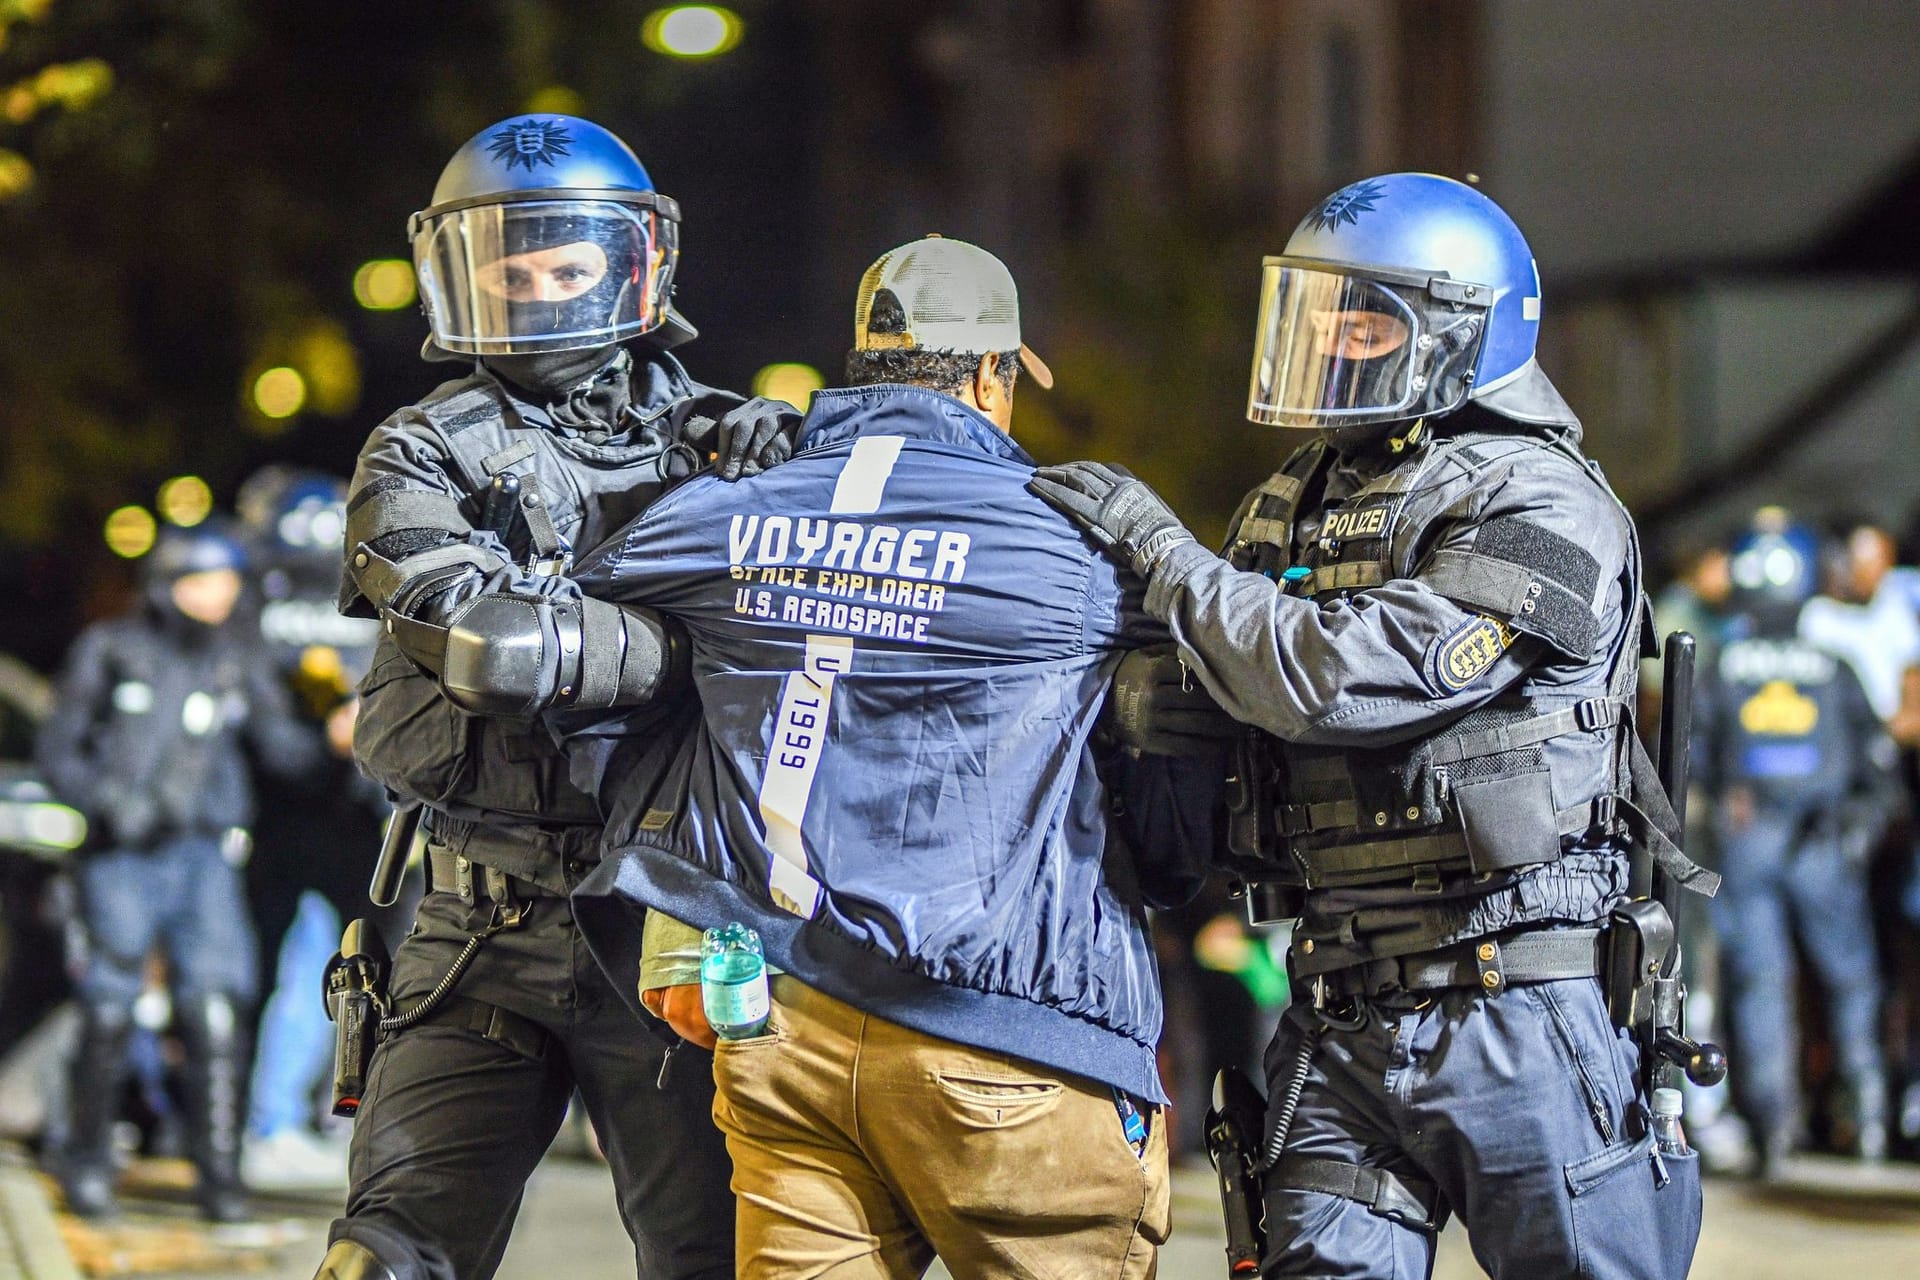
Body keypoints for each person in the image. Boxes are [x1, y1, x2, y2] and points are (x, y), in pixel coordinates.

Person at [1031, 174, 1708, 1278]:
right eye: (1318, 314)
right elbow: (1205, 704)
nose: (1332, 342)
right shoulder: (1286, 501)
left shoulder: (1545, 504)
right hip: (1338, 1004)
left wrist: (1161, 554)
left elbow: (1337, 676)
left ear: (1463, 329)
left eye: (1366, 317)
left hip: (1518, 998)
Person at [563, 236, 1208, 1277]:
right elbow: (1236, 681)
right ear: (994, 376)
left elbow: (578, 637)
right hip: (1015, 1041)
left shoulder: (726, 515)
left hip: (786, 1026)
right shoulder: (1076, 546)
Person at [323, 114, 791, 1280]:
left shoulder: (736, 443)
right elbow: (495, 650)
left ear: (636, 265)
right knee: (385, 1254)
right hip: (482, 917)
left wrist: (803, 471)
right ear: (458, 274)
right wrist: (710, 635)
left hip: (675, 923)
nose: (539, 295)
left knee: (716, 1260)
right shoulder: (421, 449)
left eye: (567, 267)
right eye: (510, 270)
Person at [36, 520, 317, 1221]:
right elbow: (60, 750)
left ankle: (219, 1176)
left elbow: (283, 749)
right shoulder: (112, 649)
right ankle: (88, 1161)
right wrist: (106, 805)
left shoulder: (234, 657)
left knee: (215, 1010)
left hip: (203, 855)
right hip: (121, 854)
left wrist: (344, 733)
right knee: (109, 1003)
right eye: (202, 581)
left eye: (226, 582)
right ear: (168, 583)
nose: (217, 595)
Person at [1697, 511, 1901, 1173]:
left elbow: (1689, 759)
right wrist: (1862, 823)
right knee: (1850, 981)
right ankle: (1865, 1117)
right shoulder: (1831, 666)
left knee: (1761, 984)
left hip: (1751, 837)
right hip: (1822, 841)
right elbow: (1880, 767)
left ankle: (1772, 1127)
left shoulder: (1723, 663)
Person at [234, 467, 387, 1191]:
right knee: (302, 972)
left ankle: (311, 1117)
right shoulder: (267, 614)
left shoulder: (344, 605)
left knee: (349, 976)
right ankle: (269, 1121)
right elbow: (268, 736)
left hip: (356, 823)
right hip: (293, 824)